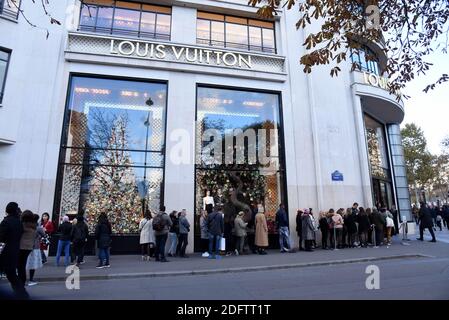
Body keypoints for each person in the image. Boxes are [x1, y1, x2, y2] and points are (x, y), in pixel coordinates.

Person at [0, 202, 29, 299]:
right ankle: (22, 294)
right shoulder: (19, 222)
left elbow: (1, 237)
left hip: (6, 251)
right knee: (12, 275)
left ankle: (22, 294)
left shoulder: (6, 222)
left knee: (11, 275)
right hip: (15, 250)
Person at [26, 214, 45, 286]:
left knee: (24, 263)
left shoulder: (26, 226)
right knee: (32, 264)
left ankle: (22, 279)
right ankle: (30, 279)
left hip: (26, 246)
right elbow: (43, 234)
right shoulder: (38, 227)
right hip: (35, 247)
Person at [18, 210, 36, 289]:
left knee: (20, 266)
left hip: (21, 246)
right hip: (29, 247)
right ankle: (22, 281)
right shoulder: (33, 226)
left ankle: (20, 281)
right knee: (22, 265)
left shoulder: (22, 225)